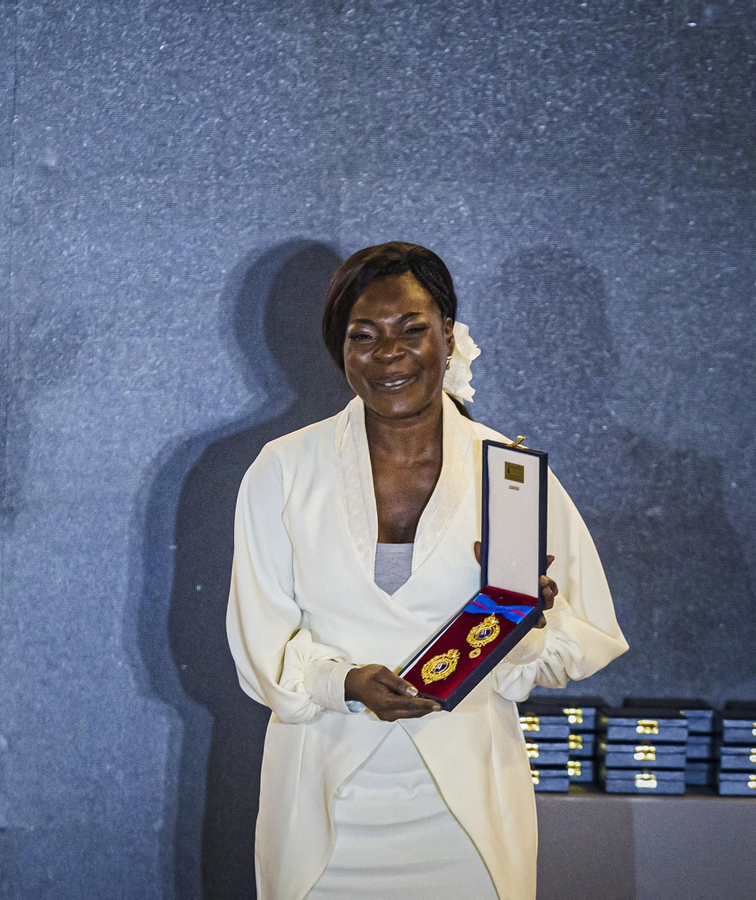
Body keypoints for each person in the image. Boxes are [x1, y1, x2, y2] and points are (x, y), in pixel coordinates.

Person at [225, 241, 627, 900]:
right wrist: (344, 682)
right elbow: (258, 653)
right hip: (324, 813)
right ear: (341, 351)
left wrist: (525, 622)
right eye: (364, 336)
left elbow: (576, 644)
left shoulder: (512, 478)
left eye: (413, 329)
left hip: (467, 822)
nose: (390, 353)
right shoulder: (284, 470)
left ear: (448, 335)